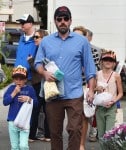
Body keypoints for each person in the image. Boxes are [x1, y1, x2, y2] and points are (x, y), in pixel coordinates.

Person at [35, 6, 96, 150]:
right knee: (55, 132)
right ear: (55, 21)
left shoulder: (81, 41)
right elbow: (38, 63)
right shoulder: (46, 42)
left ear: (70, 20)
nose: (63, 22)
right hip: (53, 94)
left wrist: (91, 90)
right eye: (59, 19)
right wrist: (44, 73)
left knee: (75, 129)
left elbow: (90, 68)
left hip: (74, 93)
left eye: (66, 19)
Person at [3, 65, 38, 150]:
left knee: (23, 146)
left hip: (25, 122)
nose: (18, 81)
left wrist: (29, 99)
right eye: (16, 79)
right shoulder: (11, 88)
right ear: (13, 79)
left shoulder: (30, 89)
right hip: (12, 121)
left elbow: (36, 104)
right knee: (15, 147)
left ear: (26, 80)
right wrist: (14, 93)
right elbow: (5, 102)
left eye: (21, 79)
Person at [95, 50, 123, 150]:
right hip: (100, 108)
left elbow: (120, 93)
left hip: (112, 107)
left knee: (109, 134)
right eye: (105, 59)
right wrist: (96, 88)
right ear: (101, 61)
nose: (108, 62)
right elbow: (91, 89)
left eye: (110, 60)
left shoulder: (116, 75)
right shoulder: (97, 74)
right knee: (101, 135)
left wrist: (113, 101)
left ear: (114, 63)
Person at [27, 29, 50, 142]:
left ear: (43, 38)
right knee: (39, 109)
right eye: (34, 37)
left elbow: (39, 68)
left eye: (37, 37)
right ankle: (35, 135)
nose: (34, 39)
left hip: (43, 83)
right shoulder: (38, 49)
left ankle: (44, 135)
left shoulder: (45, 51)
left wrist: (31, 61)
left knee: (42, 109)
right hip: (38, 83)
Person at [73, 25, 90, 150]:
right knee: (73, 119)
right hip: (71, 88)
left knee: (84, 117)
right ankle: (73, 142)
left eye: (80, 36)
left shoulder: (92, 51)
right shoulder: (68, 49)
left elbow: (94, 71)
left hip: (85, 87)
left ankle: (81, 144)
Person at [15, 14, 37, 83]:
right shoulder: (21, 38)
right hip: (17, 76)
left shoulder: (37, 38)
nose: (21, 25)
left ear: (30, 24)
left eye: (23, 23)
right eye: (21, 23)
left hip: (30, 79)